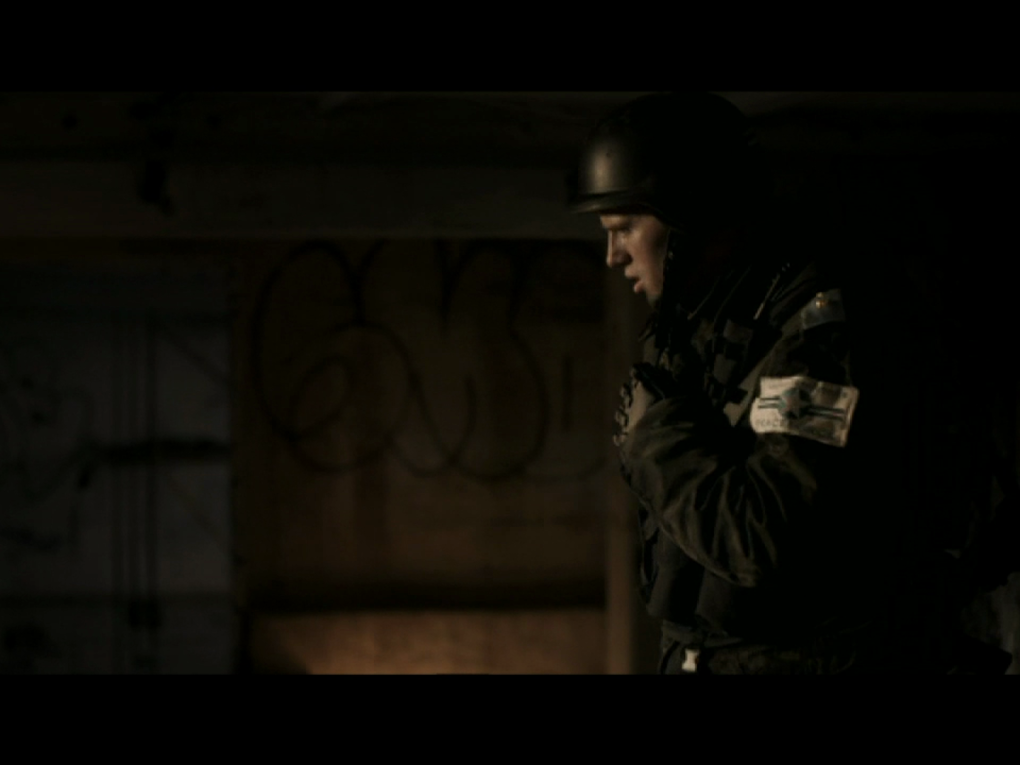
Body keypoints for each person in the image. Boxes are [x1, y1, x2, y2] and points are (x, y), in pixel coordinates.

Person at [568, 91, 1004, 674]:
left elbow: (760, 541)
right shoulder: (709, 325)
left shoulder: (822, 331)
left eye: (624, 228)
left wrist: (656, 439)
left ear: (690, 214)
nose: (613, 255)